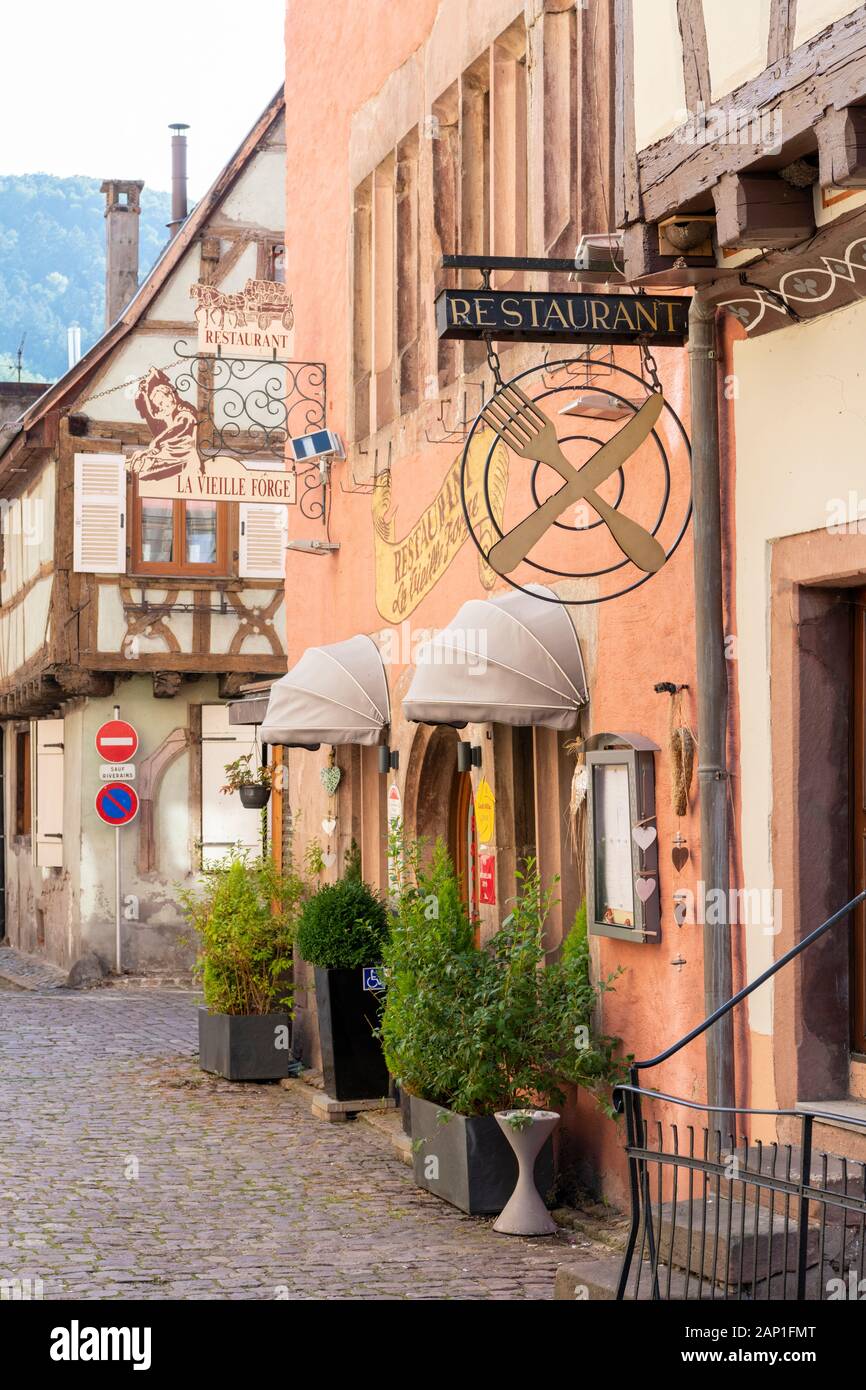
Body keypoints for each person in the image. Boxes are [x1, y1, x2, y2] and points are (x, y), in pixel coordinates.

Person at [129, 368, 203, 484]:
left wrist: (157, 442)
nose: (160, 407)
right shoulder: (166, 412)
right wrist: (145, 393)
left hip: (188, 465)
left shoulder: (184, 412)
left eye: (162, 403)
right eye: (158, 405)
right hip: (173, 464)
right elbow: (153, 413)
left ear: (170, 397)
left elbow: (180, 426)